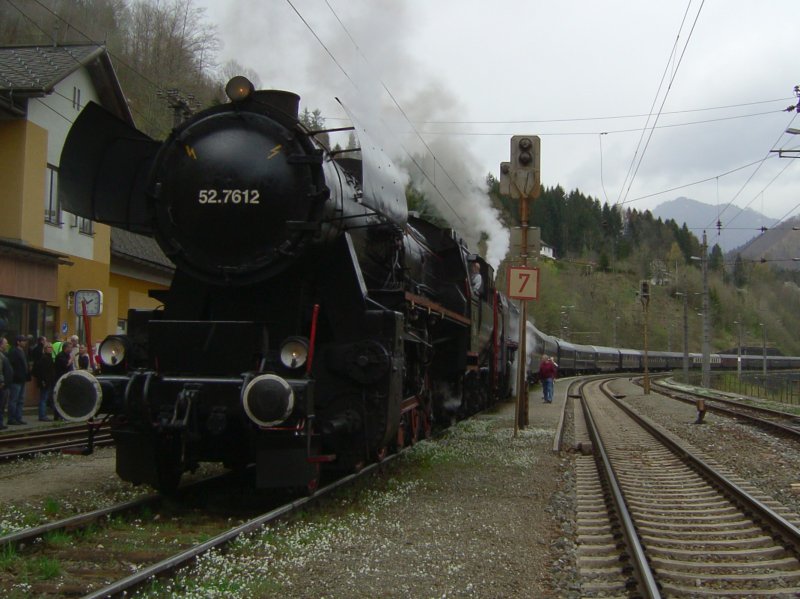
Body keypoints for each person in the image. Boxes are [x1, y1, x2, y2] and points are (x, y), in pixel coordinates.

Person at [7, 335, 29, 425]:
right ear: (18, 342)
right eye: (23, 341)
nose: (25, 342)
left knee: (20, 399)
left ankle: (18, 417)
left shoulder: (22, 351)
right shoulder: (13, 351)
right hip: (16, 379)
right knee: (14, 399)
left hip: (22, 379)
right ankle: (11, 418)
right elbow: (10, 366)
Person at [32, 343, 56, 421]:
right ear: (45, 349)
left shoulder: (49, 357)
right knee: (43, 398)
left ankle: (43, 415)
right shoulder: (44, 358)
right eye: (49, 347)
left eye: (51, 347)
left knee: (44, 398)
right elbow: (41, 371)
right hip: (45, 381)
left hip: (48, 381)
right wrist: (43, 380)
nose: (50, 349)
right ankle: (42, 416)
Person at [0, 337, 11, 430]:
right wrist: (2, 381)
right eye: (5, 343)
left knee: (2, 405)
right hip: (2, 385)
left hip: (5, 384)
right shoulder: (1, 356)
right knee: (1, 405)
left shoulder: (4, 354)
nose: (7, 345)